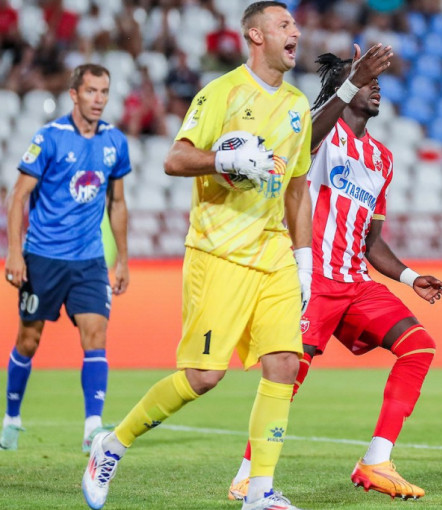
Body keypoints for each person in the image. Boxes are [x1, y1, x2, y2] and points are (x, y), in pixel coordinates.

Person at [81, 3, 314, 510]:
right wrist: (224, 158)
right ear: (256, 36)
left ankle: (259, 491)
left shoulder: (298, 104)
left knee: (284, 364)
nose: (295, 31)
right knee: (204, 377)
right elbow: (175, 158)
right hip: (218, 253)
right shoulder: (221, 92)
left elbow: (297, 188)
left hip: (272, 251)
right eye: (284, 24)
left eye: (295, 24)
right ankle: (112, 444)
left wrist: (304, 260)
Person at [227, 47, 442, 502]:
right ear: (343, 88)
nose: (375, 86)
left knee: (419, 346)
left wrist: (410, 277)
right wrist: (351, 80)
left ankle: (376, 460)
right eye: (366, 80)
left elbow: (372, 243)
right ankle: (248, 474)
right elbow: (304, 141)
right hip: (312, 278)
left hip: (355, 282)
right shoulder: (320, 132)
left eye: (376, 80)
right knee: (288, 374)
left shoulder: (382, 159)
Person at [1, 63, 130, 452]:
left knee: (96, 335)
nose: (98, 99)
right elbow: (17, 197)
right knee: (29, 339)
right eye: (91, 91)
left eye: (104, 92)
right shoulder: (50, 138)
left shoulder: (115, 141)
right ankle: (11, 418)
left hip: (89, 260)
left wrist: (123, 259)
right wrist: (14, 253)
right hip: (43, 257)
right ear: (74, 94)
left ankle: (92, 428)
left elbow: (117, 203)